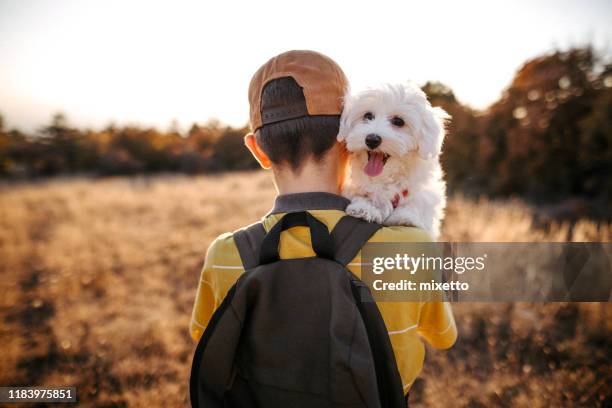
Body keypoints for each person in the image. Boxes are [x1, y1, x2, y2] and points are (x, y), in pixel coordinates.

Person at [190, 50, 457, 400]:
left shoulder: (224, 254)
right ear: (345, 142)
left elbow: (204, 336)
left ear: (258, 150)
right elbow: (443, 336)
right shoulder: (410, 247)